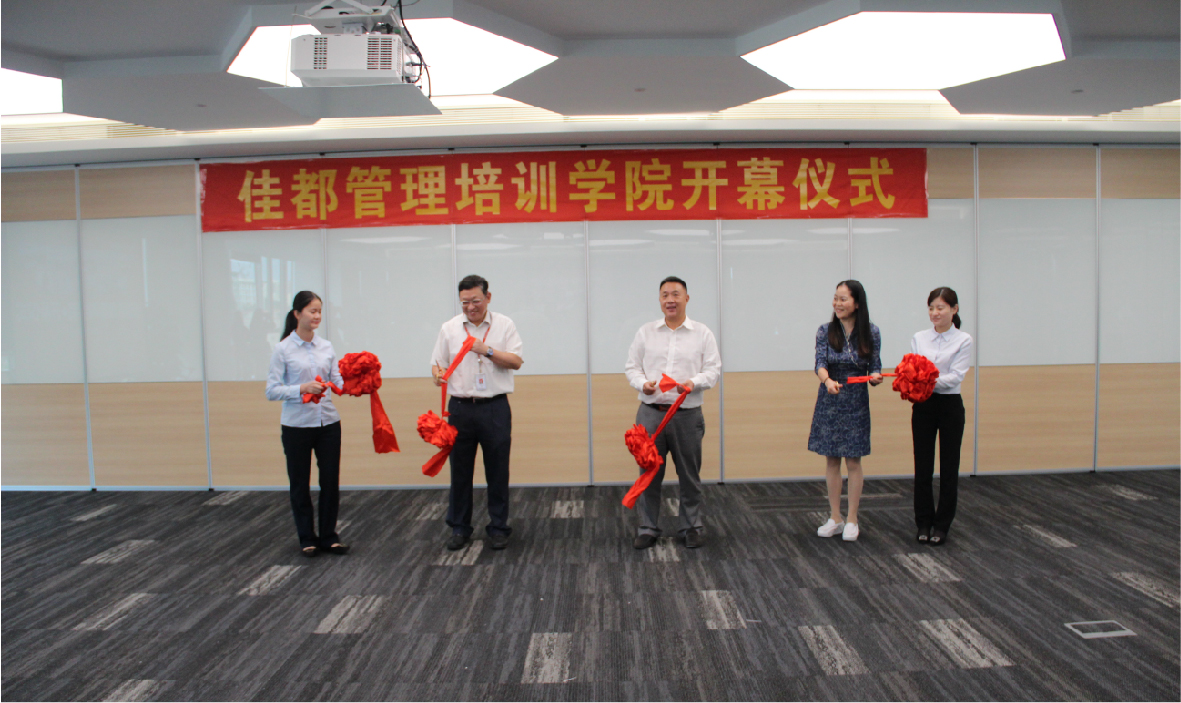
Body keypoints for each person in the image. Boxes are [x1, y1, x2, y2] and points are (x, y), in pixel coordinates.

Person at [625, 276, 722, 550]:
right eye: (665, 295)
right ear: (659, 300)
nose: (670, 300)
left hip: (686, 415)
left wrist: (694, 382)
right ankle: (648, 527)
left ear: (686, 299)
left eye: (676, 294)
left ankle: (691, 527)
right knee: (648, 473)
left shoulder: (702, 333)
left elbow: (713, 369)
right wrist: (642, 383)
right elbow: (632, 367)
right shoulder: (646, 332)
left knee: (689, 474)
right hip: (650, 413)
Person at [430, 275, 523, 551]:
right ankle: (460, 527)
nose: (470, 307)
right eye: (465, 302)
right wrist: (437, 375)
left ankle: (498, 527)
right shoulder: (449, 328)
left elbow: (516, 361)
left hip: (494, 407)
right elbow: (436, 365)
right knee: (460, 471)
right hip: (459, 409)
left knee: (497, 470)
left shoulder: (504, 325)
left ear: (488, 297)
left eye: (475, 301)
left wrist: (487, 350)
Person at [265, 291, 349, 557]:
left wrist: (357, 379)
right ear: (297, 314)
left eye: (319, 311)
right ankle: (307, 538)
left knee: (330, 481)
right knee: (300, 483)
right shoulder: (283, 349)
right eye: (312, 311)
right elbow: (272, 390)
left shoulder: (326, 346)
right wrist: (301, 388)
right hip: (296, 426)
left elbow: (338, 381)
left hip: (328, 423)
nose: (317, 316)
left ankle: (329, 536)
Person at [809, 280, 882, 542]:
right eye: (835, 298)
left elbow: (875, 365)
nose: (837, 304)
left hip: (856, 399)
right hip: (830, 397)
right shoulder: (825, 330)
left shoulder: (871, 331)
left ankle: (852, 519)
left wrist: (875, 376)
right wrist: (827, 381)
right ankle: (835, 517)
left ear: (857, 303)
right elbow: (819, 363)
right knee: (831, 459)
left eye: (843, 299)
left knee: (853, 461)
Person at [910, 287, 972, 546]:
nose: (935, 313)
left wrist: (925, 380)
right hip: (923, 406)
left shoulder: (963, 340)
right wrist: (918, 380)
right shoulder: (919, 338)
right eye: (931, 308)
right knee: (923, 467)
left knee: (949, 468)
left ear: (954, 309)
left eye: (941, 308)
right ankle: (924, 522)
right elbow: (912, 370)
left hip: (950, 407)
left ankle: (942, 524)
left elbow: (955, 377)